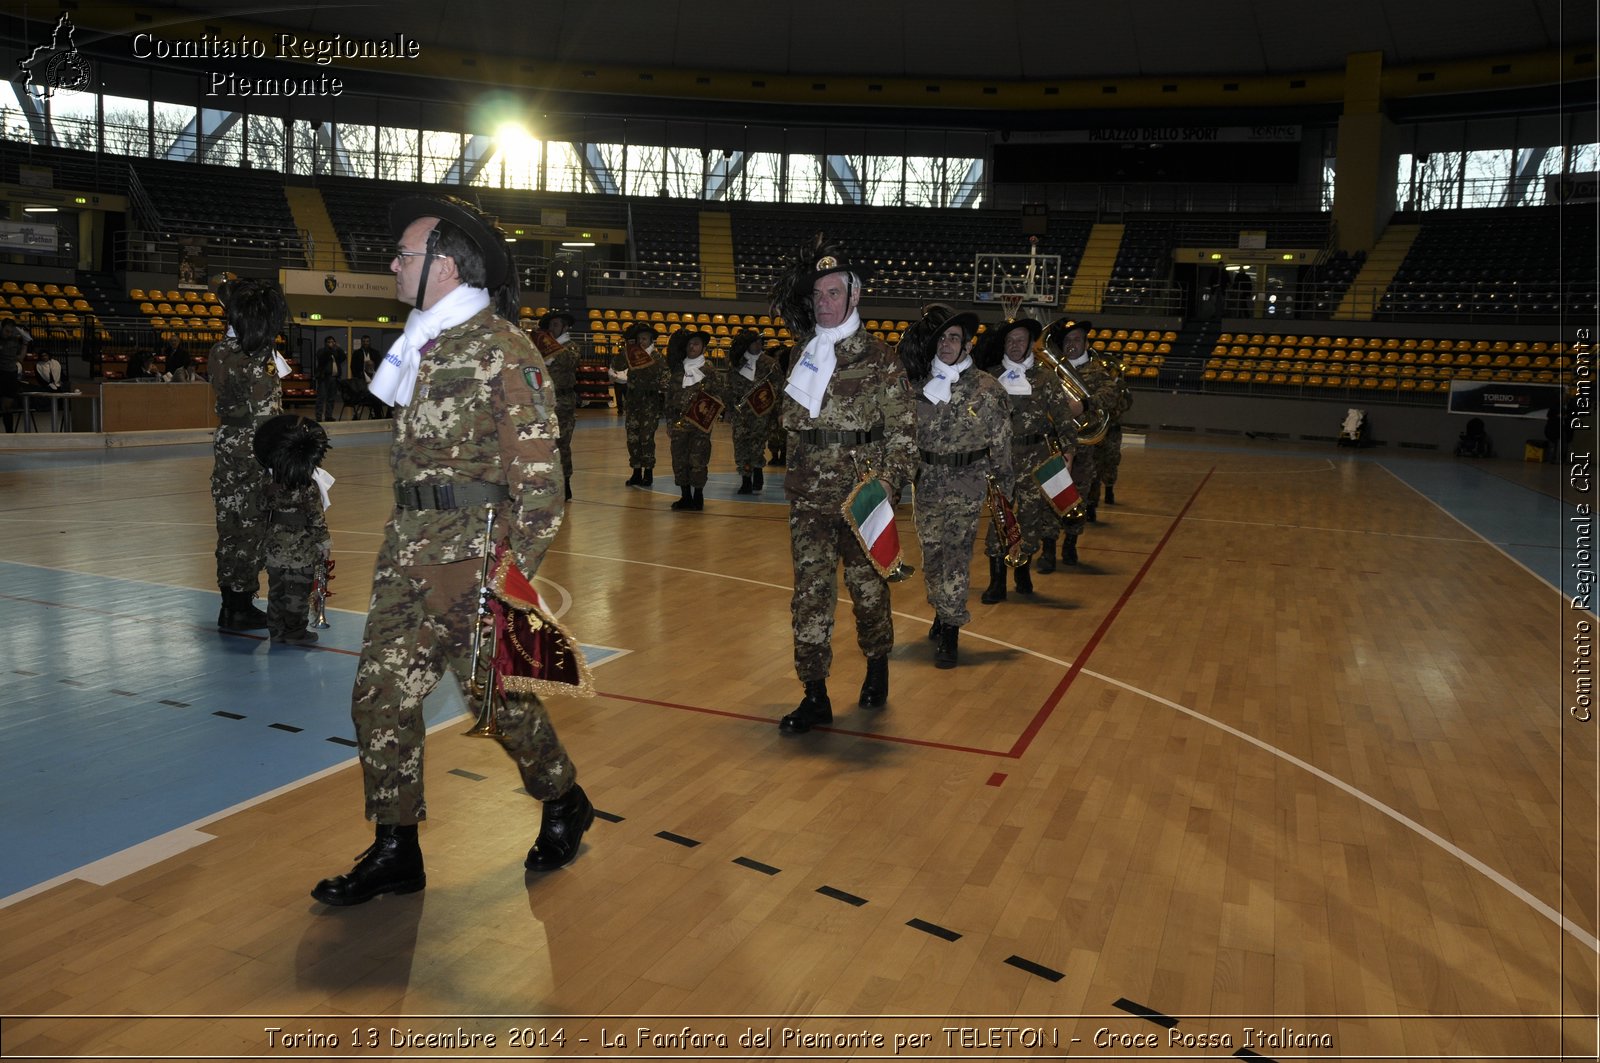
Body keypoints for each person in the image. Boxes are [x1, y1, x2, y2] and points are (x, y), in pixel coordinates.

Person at [311, 194, 590, 907]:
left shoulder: (505, 349)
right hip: (407, 555)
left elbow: (541, 489)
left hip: (477, 562)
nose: (394, 265)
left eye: (405, 255)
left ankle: (563, 798)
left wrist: (503, 580)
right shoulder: (423, 343)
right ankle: (396, 846)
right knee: (379, 697)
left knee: (501, 705)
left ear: (444, 264)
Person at [769, 237, 916, 734]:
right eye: (818, 296)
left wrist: (889, 486)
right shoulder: (802, 355)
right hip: (808, 500)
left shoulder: (881, 359)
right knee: (809, 598)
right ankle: (815, 694)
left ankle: (877, 664)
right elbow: (791, 425)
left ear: (854, 296)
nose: (824, 303)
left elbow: (902, 432)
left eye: (833, 293)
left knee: (867, 591)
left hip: (861, 500)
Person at [902, 305, 1011, 669]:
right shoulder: (919, 387)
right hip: (928, 483)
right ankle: (941, 608)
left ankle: (951, 631)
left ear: (966, 345)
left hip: (967, 483)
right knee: (932, 556)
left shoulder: (988, 389)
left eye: (954, 338)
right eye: (942, 339)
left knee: (956, 558)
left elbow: (1001, 444)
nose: (947, 345)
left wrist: (1005, 493)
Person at [978, 315, 1077, 599]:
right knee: (1000, 518)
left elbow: (1062, 417)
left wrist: (1068, 452)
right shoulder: (990, 377)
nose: (1014, 345)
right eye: (1010, 340)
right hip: (1001, 459)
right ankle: (997, 582)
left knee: (1030, 520)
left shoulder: (1045, 377)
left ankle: (1022, 572)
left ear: (1030, 344)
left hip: (1037, 458)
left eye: (1020, 339)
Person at [209, 279, 286, 630]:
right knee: (252, 528)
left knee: (229, 527)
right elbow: (268, 418)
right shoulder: (258, 361)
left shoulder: (220, 351)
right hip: (254, 448)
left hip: (227, 442)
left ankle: (230, 604)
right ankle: (241, 605)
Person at [1038, 318, 1113, 565]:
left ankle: (1070, 543)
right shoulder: (1050, 371)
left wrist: (1085, 404)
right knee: (1051, 495)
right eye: (1068, 340)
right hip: (1054, 444)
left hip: (1084, 447)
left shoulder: (1099, 370)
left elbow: (1114, 396)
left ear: (1086, 342)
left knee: (1077, 496)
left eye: (1077, 339)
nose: (1072, 344)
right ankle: (1048, 549)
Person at [252, 414, 332, 646]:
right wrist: (325, 543)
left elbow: (260, 506)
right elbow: (316, 518)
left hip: (275, 548)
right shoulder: (308, 486)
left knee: (276, 592)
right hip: (302, 549)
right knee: (297, 592)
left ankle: (276, 632)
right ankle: (296, 632)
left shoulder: (270, 483)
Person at [664, 327, 722, 511]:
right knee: (679, 459)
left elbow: (720, 395)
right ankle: (685, 496)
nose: (692, 347)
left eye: (696, 344)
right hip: (679, 424)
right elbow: (669, 398)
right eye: (689, 344)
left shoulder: (710, 370)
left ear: (703, 347)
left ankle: (698, 496)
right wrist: (669, 423)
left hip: (700, 425)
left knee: (698, 459)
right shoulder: (677, 370)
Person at [531, 309, 580, 500]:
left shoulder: (572, 346)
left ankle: (565, 482)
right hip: (542, 401)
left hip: (564, 402)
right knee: (542, 443)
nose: (552, 328)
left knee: (562, 444)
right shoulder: (541, 348)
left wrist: (552, 351)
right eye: (550, 325)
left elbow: (571, 360)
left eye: (557, 324)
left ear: (565, 327)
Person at [725, 329, 781, 494]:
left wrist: (777, 412)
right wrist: (728, 409)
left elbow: (778, 388)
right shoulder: (737, 363)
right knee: (741, 444)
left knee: (757, 445)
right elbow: (729, 387)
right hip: (740, 413)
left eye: (759, 342)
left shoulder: (770, 364)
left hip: (761, 414)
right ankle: (745, 479)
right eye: (754, 342)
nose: (758, 345)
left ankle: (757, 470)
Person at [613, 321, 666, 486]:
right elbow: (616, 365)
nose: (642, 342)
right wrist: (627, 349)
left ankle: (648, 472)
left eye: (645, 339)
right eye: (639, 339)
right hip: (633, 402)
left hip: (650, 404)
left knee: (646, 438)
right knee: (633, 438)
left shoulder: (657, 357)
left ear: (651, 340)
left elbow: (660, 378)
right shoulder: (631, 355)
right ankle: (636, 471)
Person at [313, 335, 345, 422]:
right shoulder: (321, 351)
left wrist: (339, 348)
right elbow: (322, 358)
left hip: (334, 378)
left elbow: (343, 358)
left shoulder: (336, 351)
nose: (331, 343)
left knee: (331, 398)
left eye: (332, 341)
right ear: (325, 343)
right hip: (324, 378)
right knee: (321, 397)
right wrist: (329, 349)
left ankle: (328, 415)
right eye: (329, 342)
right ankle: (319, 416)